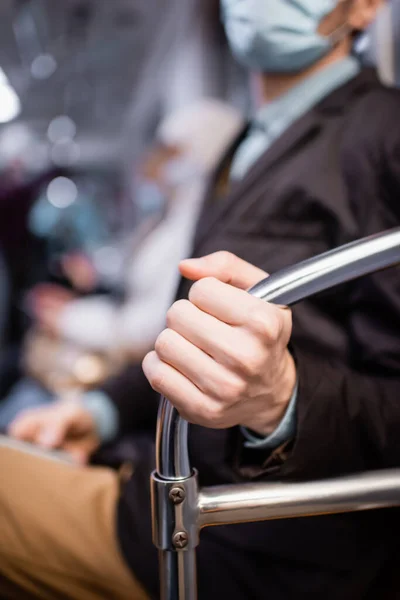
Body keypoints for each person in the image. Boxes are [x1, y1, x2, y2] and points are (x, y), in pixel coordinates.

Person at [2, 0, 400, 598]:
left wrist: (284, 400)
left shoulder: (383, 134)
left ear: (366, 8)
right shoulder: (245, 145)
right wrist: (100, 412)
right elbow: (193, 338)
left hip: (253, 539)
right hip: (162, 482)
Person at [0, 100, 243, 430]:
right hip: (127, 366)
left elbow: (152, 328)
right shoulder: (174, 218)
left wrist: (70, 318)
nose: (157, 165)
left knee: (20, 411)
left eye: (171, 152)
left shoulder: (202, 229)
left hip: (135, 372)